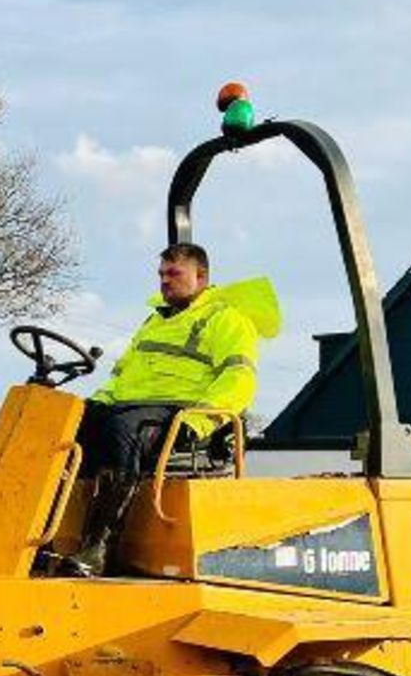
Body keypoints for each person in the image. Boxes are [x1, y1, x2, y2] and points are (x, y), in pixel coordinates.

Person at [67, 243, 280, 575]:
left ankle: (99, 547)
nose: (165, 281)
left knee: (124, 433)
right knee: (63, 423)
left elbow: (239, 378)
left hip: (181, 412)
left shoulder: (226, 319)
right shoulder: (155, 321)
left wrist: (199, 421)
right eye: (161, 274)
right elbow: (123, 377)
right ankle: (49, 536)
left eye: (174, 273)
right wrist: (90, 407)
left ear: (201, 276)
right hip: (129, 406)